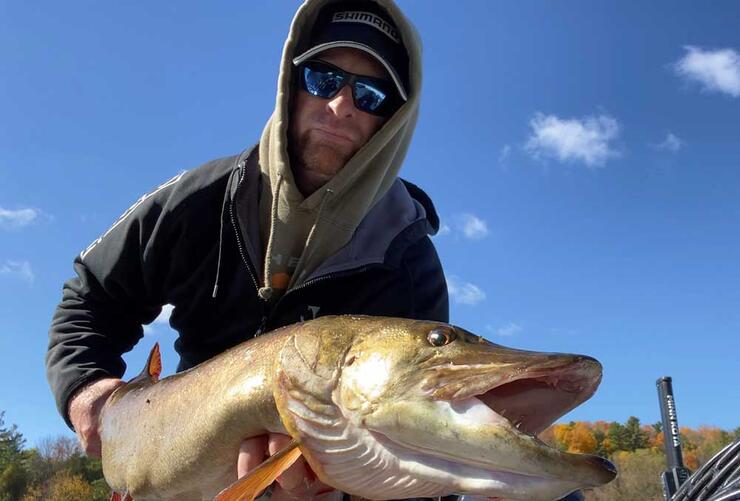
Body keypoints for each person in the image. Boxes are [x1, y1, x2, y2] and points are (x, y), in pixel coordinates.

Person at [45, 0, 448, 498]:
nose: (341, 106)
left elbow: (423, 449)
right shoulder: (198, 199)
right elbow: (90, 298)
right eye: (322, 79)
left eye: (370, 94)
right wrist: (87, 392)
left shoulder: (410, 262)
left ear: (392, 118)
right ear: (290, 82)